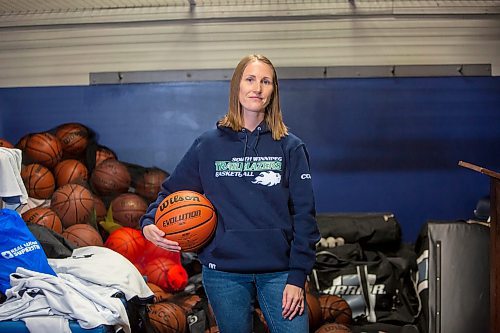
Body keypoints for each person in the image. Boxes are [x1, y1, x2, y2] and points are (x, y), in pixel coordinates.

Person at [140, 54, 320, 333]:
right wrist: (150, 220)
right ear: (237, 86)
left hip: (280, 272)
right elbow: (172, 191)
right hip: (223, 272)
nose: (257, 88)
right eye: (250, 79)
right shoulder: (208, 145)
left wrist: (298, 277)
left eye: (265, 81)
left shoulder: (290, 147)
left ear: (273, 91)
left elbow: (305, 216)